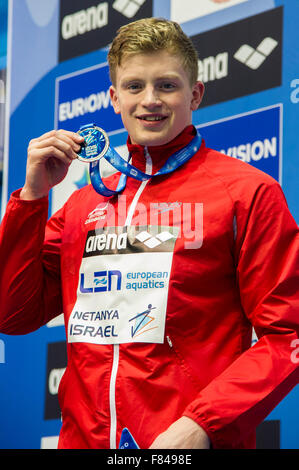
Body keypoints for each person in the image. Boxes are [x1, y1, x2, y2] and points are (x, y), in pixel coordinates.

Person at [0, 17, 298, 450]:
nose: (150, 101)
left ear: (195, 93)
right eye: (135, 86)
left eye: (167, 85)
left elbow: (286, 334)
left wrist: (201, 424)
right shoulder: (83, 205)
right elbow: (13, 314)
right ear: (114, 98)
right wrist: (30, 199)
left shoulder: (247, 193)